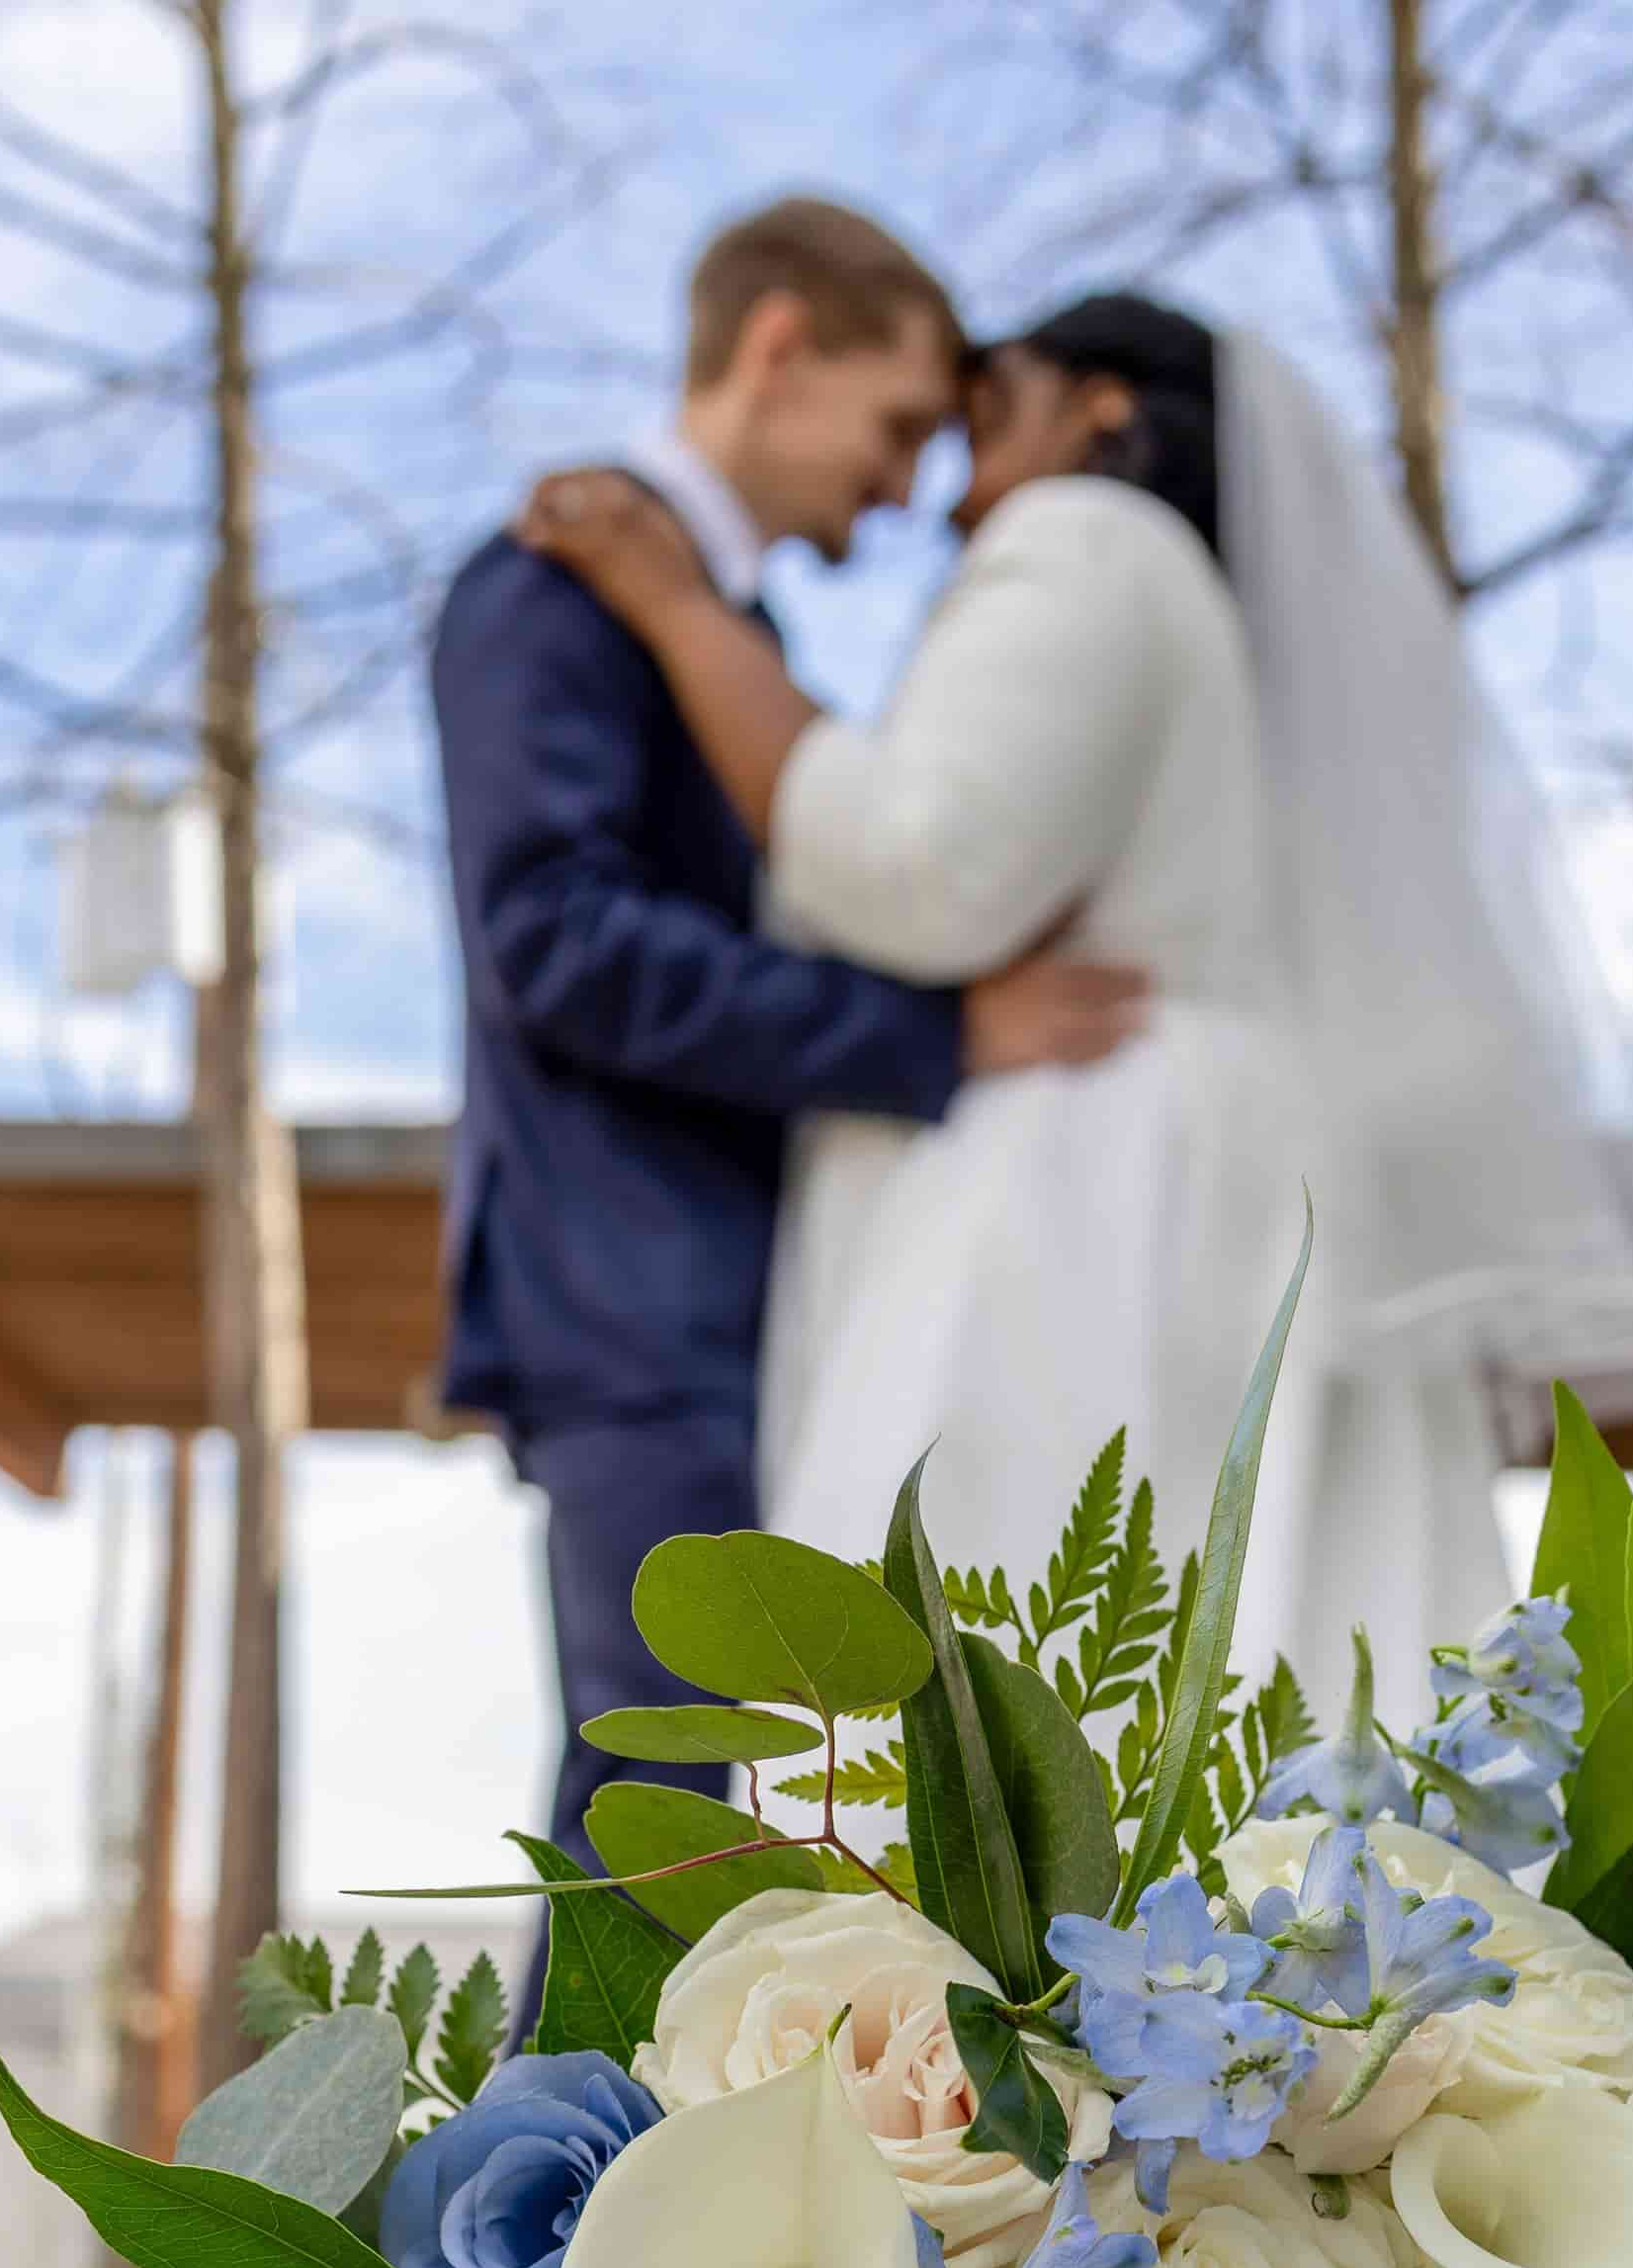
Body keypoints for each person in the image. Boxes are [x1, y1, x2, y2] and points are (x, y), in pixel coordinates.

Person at [516, 298, 1633, 1720]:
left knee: (1020, 1692)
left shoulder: (1087, 544)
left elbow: (922, 865)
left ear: (1097, 406)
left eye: (985, 401)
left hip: (1094, 1194)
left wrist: (674, 610)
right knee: (1250, 1695)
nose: (942, 466)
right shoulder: (1215, 623)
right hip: (1224, 1177)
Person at [429, 202, 1147, 1893]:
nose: (905, 487)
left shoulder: (723, 641)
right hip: (630, 1302)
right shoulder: (545, 595)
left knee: (718, 1826)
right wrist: (937, 1034)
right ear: (778, 349)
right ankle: (535, 2176)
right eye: (898, 424)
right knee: (660, 1825)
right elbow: (556, 943)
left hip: (736, 1302)